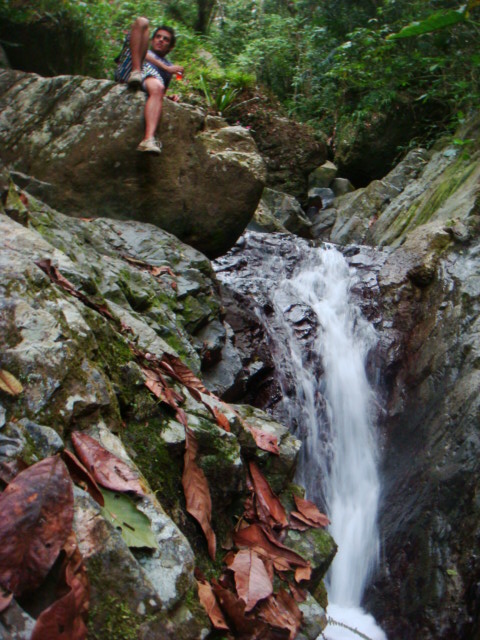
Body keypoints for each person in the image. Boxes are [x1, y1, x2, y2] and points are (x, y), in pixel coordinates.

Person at [115, 18, 184, 155]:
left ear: (170, 47)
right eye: (158, 37)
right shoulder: (147, 51)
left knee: (157, 88)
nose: (160, 40)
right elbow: (144, 54)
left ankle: (148, 139)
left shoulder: (168, 69)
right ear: (151, 40)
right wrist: (166, 67)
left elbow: (158, 92)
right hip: (133, 66)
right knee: (142, 22)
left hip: (148, 79)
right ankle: (136, 71)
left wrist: (168, 97)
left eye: (165, 39)